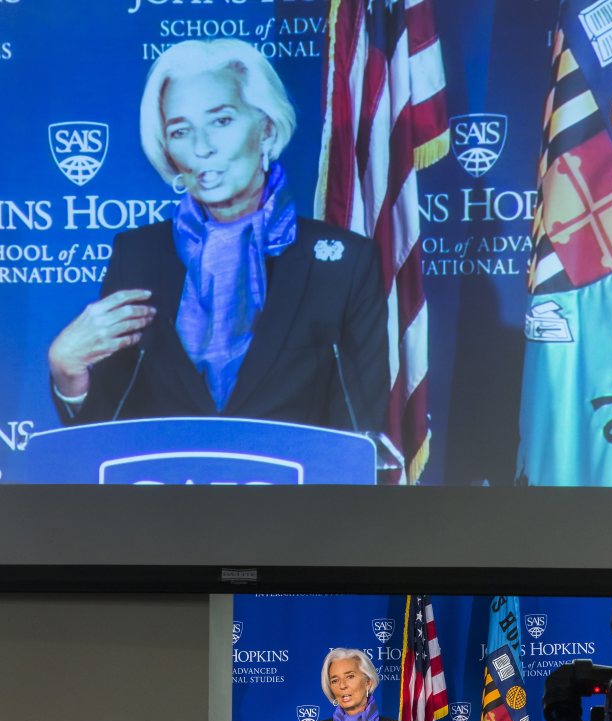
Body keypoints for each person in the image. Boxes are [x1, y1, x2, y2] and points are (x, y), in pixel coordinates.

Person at [48, 39, 389, 431]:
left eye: (221, 121)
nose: (201, 148)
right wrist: (66, 373)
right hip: (166, 488)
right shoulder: (137, 255)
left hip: (291, 489)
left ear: (265, 128)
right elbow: (106, 430)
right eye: (180, 130)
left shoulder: (344, 264)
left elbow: (360, 431)